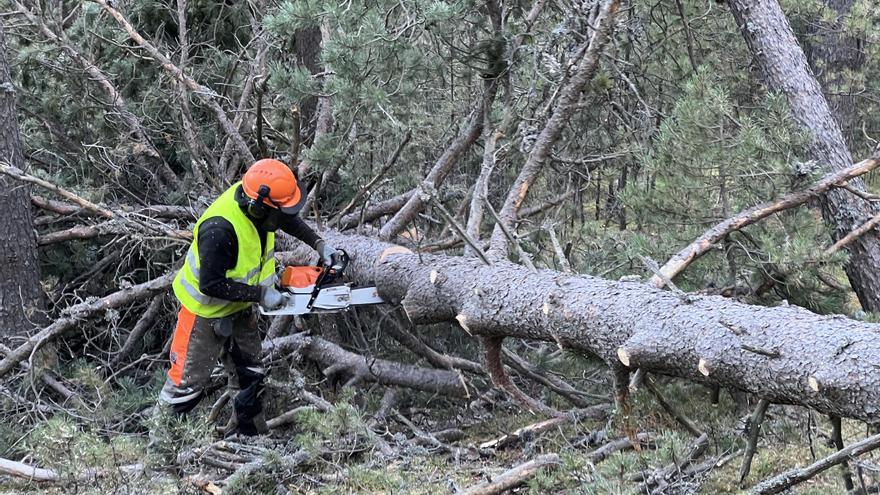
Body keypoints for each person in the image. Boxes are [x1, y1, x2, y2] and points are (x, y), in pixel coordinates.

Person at [157, 158, 341, 435]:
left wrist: (319, 243)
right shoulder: (219, 229)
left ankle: (250, 437)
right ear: (259, 207)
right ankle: (159, 454)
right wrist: (260, 294)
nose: (283, 218)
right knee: (185, 386)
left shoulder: (259, 204)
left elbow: (285, 218)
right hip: (202, 314)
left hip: (240, 305)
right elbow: (210, 284)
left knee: (251, 373)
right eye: (279, 212)